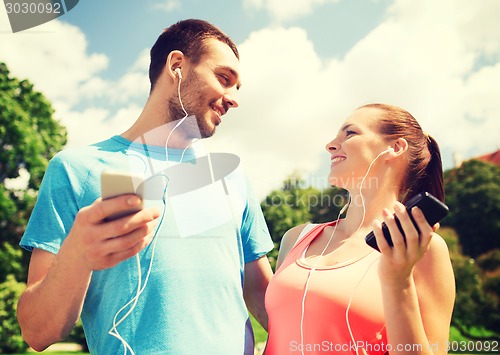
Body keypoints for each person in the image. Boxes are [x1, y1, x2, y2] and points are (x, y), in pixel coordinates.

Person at [17, 19, 274, 354]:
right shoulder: (76, 170)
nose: (233, 98)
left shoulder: (230, 177)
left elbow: (261, 294)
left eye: (237, 87)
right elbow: (37, 333)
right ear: (177, 65)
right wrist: (78, 254)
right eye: (224, 79)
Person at [264, 103, 455, 354]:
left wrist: (398, 282)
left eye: (350, 133)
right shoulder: (297, 238)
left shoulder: (422, 247)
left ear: (394, 148)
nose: (331, 144)